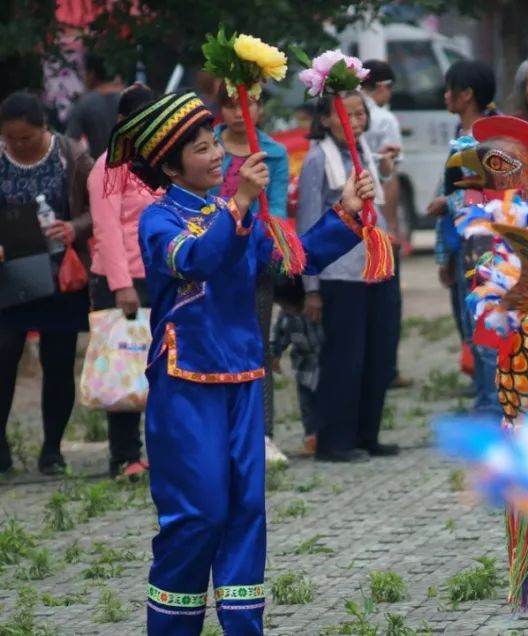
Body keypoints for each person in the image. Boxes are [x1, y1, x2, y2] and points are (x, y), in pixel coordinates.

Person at [108, 91, 375, 634]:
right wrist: (241, 204)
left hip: (244, 376)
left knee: (246, 510)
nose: (215, 157)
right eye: (202, 149)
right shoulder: (160, 220)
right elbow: (200, 261)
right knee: (199, 513)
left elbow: (291, 258)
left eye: (215, 147)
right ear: (168, 164)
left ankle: (242, 626)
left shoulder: (233, 213)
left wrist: (345, 209)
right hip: (187, 382)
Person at [298, 93, 400, 463]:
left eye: (360, 113)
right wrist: (311, 287)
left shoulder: (365, 152)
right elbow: (309, 220)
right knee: (345, 358)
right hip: (340, 272)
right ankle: (334, 439)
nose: (354, 121)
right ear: (325, 119)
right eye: (345, 114)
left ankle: (366, 433)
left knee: (380, 354)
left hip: (379, 265)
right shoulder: (317, 159)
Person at [0, 91, 92, 475]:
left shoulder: (71, 157)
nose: (18, 145)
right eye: (10, 139)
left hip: (61, 276)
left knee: (57, 361)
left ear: (44, 128)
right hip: (9, 276)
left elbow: (98, 210)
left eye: (26, 138)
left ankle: (52, 449)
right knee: (4, 356)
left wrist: (73, 227)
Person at [211, 83, 290, 466]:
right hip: (210, 257)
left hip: (255, 260)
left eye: (249, 103)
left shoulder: (273, 153)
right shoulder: (208, 148)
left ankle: (263, 433)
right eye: (230, 106)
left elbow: (275, 210)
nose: (239, 112)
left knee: (257, 346)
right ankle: (218, 433)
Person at [87, 82, 158, 480]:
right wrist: (121, 284)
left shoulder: (157, 164)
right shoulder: (107, 166)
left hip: (157, 276)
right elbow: (107, 229)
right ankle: (124, 455)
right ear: (120, 121)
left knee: (156, 368)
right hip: (122, 281)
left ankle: (157, 449)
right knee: (124, 366)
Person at [427, 60, 498, 406]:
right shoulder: (467, 136)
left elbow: (479, 198)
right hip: (461, 247)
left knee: (481, 330)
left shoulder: (480, 141)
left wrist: (447, 201)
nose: (445, 96)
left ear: (466, 94)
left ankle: (492, 404)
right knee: (472, 331)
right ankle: (486, 399)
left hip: (478, 248)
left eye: (449, 88)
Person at [360, 59, 411, 390]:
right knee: (386, 302)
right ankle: (386, 369)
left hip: (349, 221)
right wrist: (392, 225)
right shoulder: (384, 119)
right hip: (376, 219)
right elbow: (390, 179)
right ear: (381, 87)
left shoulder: (346, 115)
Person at [268, 277, 322, 456]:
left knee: (326, 403)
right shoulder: (286, 317)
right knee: (307, 406)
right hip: (304, 368)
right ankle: (311, 438)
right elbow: (278, 335)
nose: (285, 309)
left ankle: (327, 435)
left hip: (323, 366)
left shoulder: (315, 312)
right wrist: (275, 354)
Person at [66, 53, 125, 159]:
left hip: (98, 167)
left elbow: (70, 144)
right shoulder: (129, 98)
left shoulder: (83, 104)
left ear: (92, 74)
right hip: (131, 170)